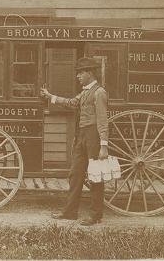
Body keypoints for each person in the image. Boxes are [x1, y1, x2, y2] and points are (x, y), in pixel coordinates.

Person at [40, 57, 109, 226]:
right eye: (78, 73)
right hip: (82, 135)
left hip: (94, 136)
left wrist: (104, 146)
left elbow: (102, 120)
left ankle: (95, 215)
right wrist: (51, 97)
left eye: (81, 73)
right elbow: (72, 103)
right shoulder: (85, 92)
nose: (78, 76)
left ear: (90, 73)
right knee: (75, 174)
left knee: (95, 176)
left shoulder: (99, 93)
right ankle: (70, 212)